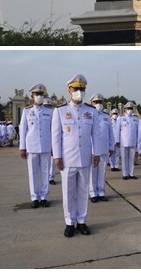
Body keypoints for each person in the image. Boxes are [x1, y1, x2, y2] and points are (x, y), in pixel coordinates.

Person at [51, 74, 102, 237]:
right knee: (68, 192)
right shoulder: (60, 111)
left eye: (82, 89)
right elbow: (56, 136)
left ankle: (82, 221)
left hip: (85, 158)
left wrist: (97, 153)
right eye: (76, 89)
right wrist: (57, 156)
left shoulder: (91, 111)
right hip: (67, 159)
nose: (79, 91)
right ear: (69, 90)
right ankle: (69, 222)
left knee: (83, 191)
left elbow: (96, 133)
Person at [19, 84, 53, 209]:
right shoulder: (27, 111)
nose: (39, 97)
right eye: (36, 94)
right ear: (32, 96)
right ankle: (35, 197)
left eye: (41, 94)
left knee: (45, 173)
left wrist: (54, 148)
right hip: (31, 147)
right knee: (33, 173)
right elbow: (23, 130)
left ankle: (44, 197)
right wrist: (22, 147)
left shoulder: (50, 111)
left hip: (46, 146)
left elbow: (53, 131)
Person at [89, 93, 114, 202]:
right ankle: (93, 193)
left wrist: (111, 146)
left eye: (100, 102)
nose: (98, 104)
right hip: (92, 149)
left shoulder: (107, 116)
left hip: (104, 149)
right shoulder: (88, 115)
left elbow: (110, 133)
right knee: (92, 172)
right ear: (91, 103)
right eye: (96, 102)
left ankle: (101, 192)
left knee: (102, 172)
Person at [120, 101, 139, 180]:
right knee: (124, 159)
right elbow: (118, 130)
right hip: (124, 142)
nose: (130, 110)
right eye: (128, 108)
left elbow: (138, 131)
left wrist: (138, 141)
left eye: (131, 108)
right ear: (125, 109)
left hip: (133, 141)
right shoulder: (121, 118)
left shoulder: (135, 118)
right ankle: (125, 174)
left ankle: (131, 173)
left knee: (132, 158)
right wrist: (117, 141)